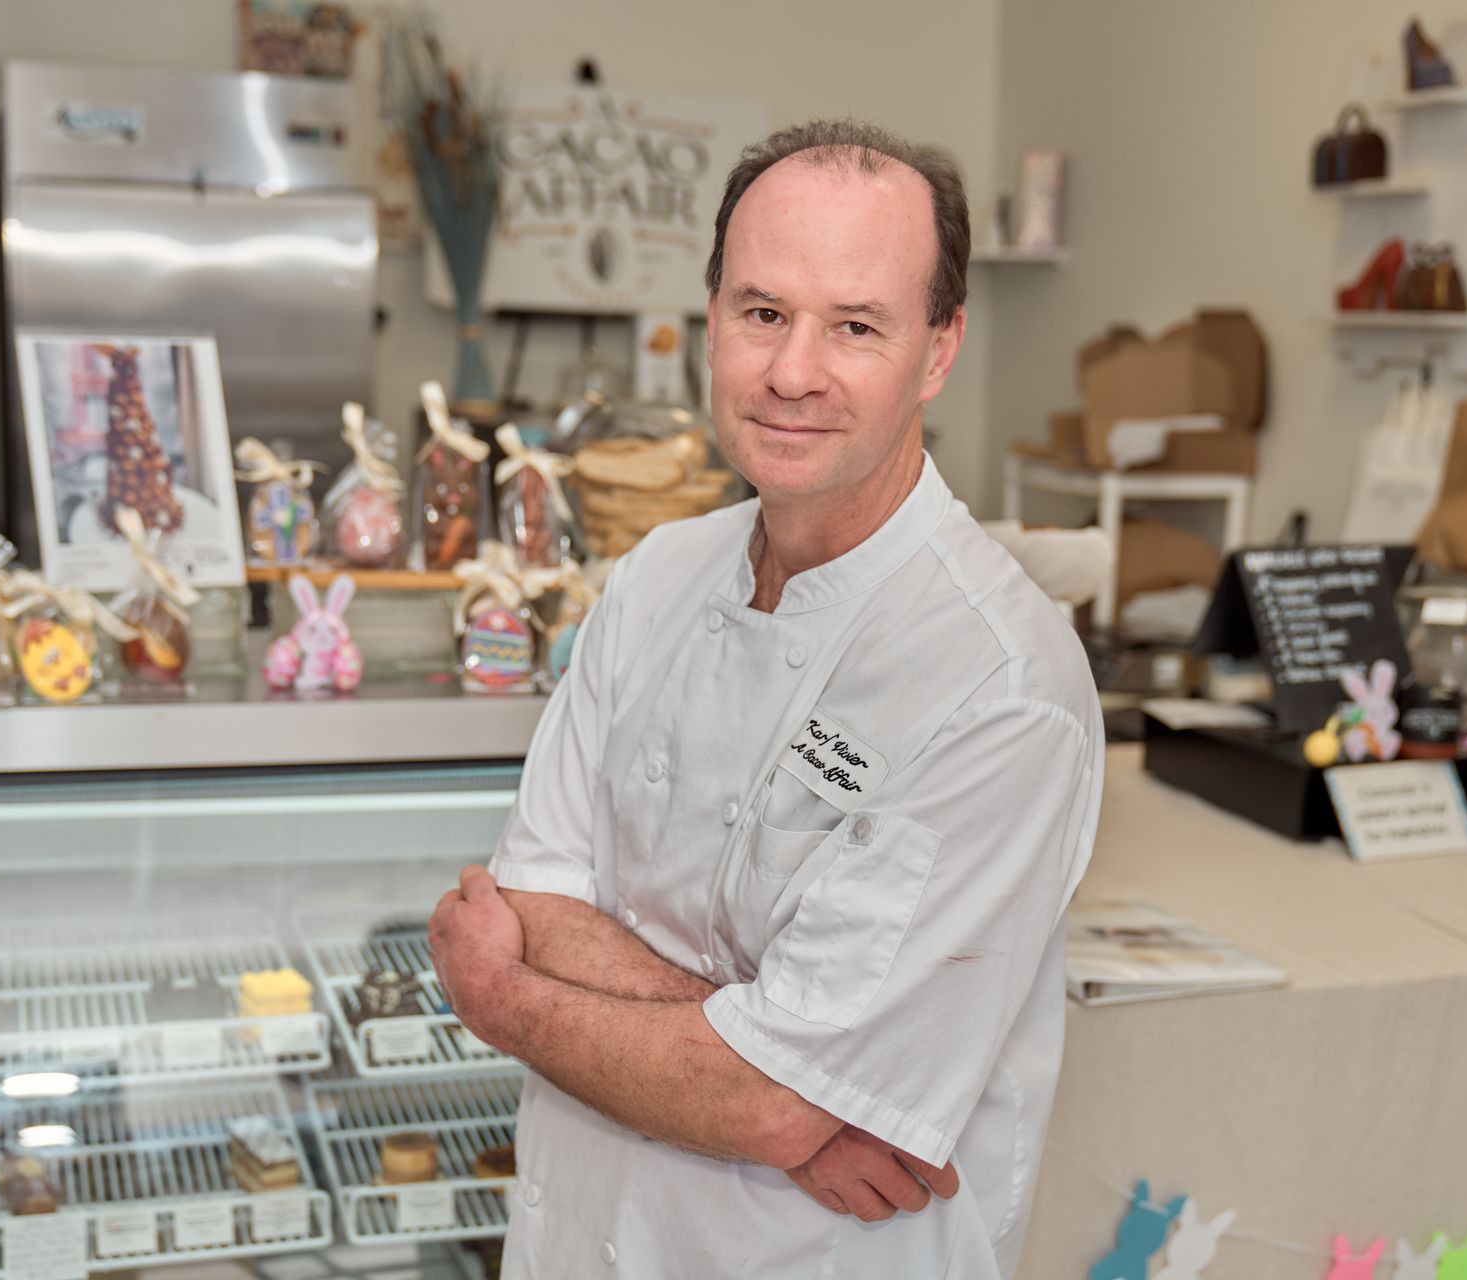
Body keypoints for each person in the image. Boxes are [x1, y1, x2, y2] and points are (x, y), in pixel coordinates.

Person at [429, 118, 1102, 1279]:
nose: (794, 370)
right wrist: (753, 1058)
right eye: (762, 312)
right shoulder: (653, 578)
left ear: (939, 351)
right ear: (711, 319)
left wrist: (502, 995)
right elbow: (537, 888)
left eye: (855, 325)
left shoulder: (1001, 687)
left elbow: (767, 1098)